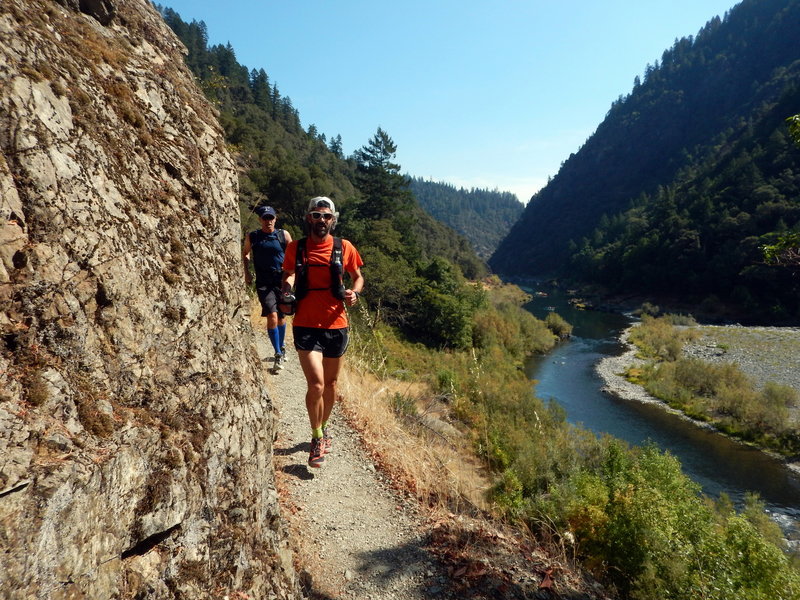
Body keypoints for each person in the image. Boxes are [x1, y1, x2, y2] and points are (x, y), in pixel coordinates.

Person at [281, 196, 364, 468]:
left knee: (330, 385)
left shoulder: (344, 247)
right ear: (309, 218)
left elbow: (358, 276)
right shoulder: (297, 247)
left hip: (336, 324)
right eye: (316, 216)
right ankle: (316, 436)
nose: (321, 221)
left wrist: (355, 293)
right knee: (316, 384)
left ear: (333, 220)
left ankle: (324, 426)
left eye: (326, 216)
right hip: (305, 323)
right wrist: (287, 288)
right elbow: (289, 273)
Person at [242, 205, 293, 371]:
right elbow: (245, 254)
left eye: (271, 218)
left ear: (275, 219)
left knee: (281, 317)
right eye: (265, 218)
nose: (268, 221)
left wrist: (293, 277)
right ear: (260, 220)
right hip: (264, 283)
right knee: (272, 315)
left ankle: (281, 346)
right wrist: (246, 273)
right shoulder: (253, 236)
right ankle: (278, 353)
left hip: (282, 281)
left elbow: (293, 256)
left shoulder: (283, 235)